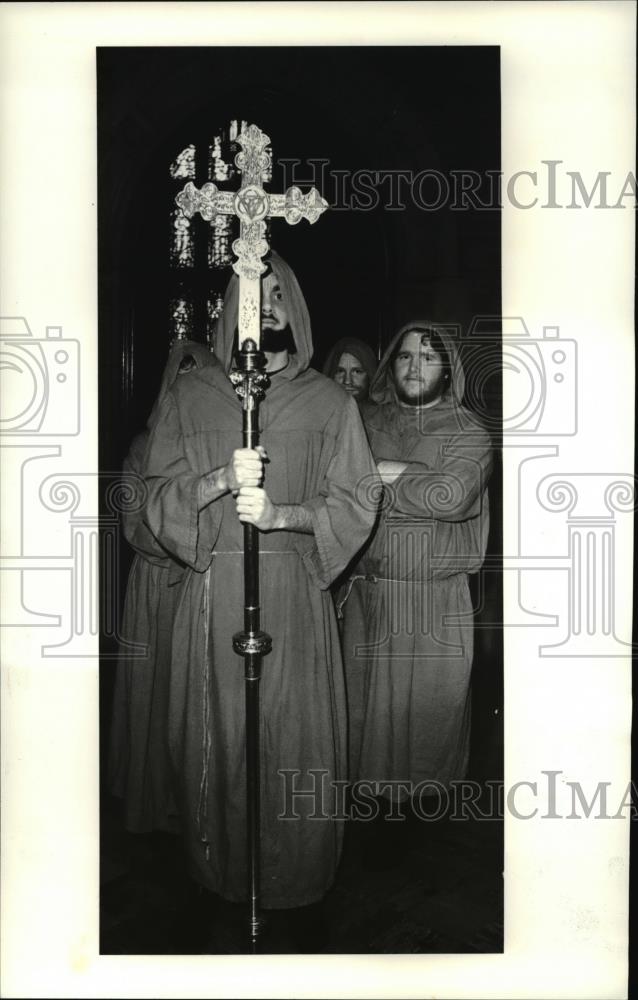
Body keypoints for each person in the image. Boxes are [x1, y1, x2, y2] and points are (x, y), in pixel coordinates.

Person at [141, 251, 378, 911]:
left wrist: (283, 516)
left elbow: (357, 500)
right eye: (251, 291)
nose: (264, 304)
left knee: (294, 736)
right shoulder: (192, 395)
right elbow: (153, 494)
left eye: (276, 292)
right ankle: (220, 869)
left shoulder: (330, 404)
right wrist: (218, 481)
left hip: (295, 594)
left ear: (294, 304)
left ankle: (293, 874)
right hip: (215, 590)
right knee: (217, 736)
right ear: (227, 307)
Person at [340, 321, 492, 826]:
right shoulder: (364, 420)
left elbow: (449, 496)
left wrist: (383, 473)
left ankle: (423, 832)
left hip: (432, 601)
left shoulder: (469, 431)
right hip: (366, 595)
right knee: (364, 728)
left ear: (447, 369)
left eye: (428, 357)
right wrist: (407, 478)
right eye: (405, 356)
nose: (414, 366)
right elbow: (340, 485)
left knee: (425, 728)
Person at [108, 339, 219, 834]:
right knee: (155, 700)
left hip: (203, 590)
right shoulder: (141, 447)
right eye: (181, 376)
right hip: (158, 588)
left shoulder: (217, 451)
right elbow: (137, 526)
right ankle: (153, 803)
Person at [322, 336, 378, 414]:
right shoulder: (318, 415)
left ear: (370, 375)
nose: (347, 381)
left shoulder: (385, 418)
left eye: (357, 371)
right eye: (340, 371)